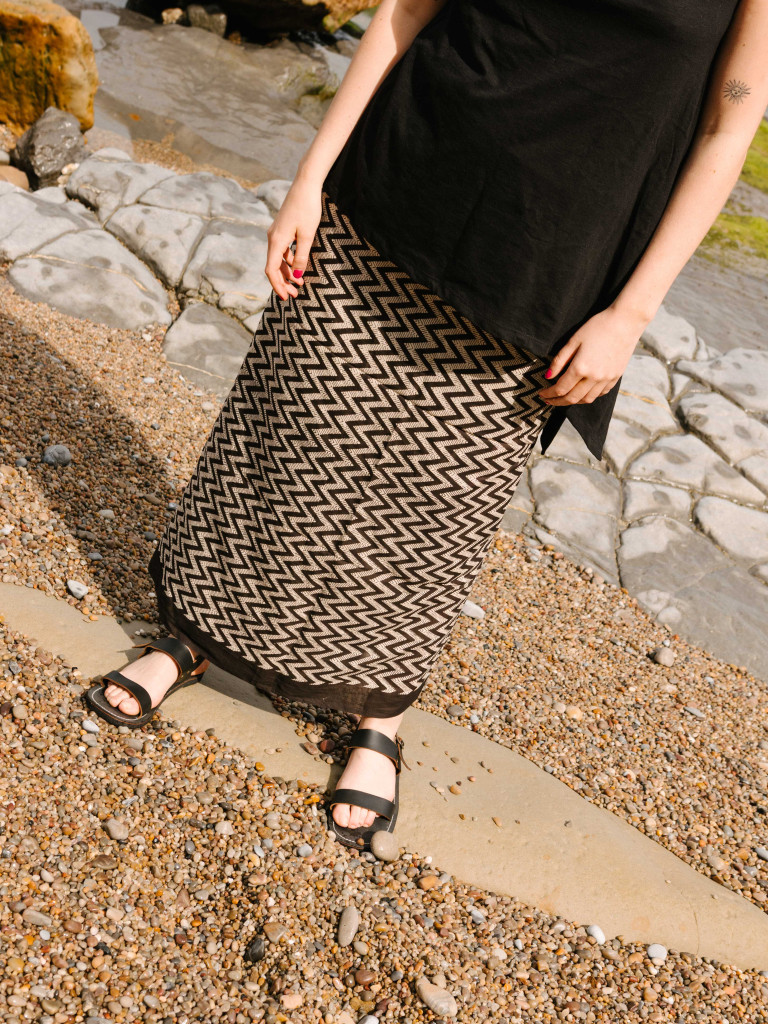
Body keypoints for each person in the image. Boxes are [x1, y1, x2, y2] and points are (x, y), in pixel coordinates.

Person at [86, 0, 767, 850]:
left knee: (437, 507)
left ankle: (381, 717)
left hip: (552, 269)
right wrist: (310, 179)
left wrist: (631, 314)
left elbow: (728, 128)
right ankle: (194, 635)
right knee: (287, 433)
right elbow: (405, 13)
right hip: (393, 185)